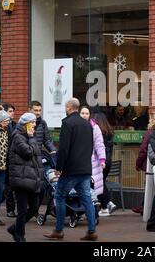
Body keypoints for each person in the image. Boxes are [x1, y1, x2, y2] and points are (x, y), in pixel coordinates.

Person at [44, 98, 98, 241]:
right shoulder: (88, 125)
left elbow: (63, 149)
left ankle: (59, 230)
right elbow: (90, 147)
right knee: (87, 199)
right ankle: (91, 231)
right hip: (85, 169)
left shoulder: (67, 123)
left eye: (65, 107)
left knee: (59, 196)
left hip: (70, 170)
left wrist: (58, 168)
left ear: (68, 107)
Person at [6, 113, 44, 242]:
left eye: (35, 122)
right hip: (20, 178)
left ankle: (15, 228)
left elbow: (36, 155)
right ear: (25, 124)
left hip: (32, 178)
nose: (34, 125)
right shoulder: (18, 137)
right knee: (22, 210)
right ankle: (19, 235)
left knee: (34, 207)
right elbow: (28, 153)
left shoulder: (29, 136)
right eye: (32, 122)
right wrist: (32, 138)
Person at [29, 101, 57, 216]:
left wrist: (53, 150)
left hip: (39, 158)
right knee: (33, 187)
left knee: (44, 185)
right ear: (29, 109)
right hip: (28, 158)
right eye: (35, 110)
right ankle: (31, 210)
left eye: (40, 110)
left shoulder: (42, 123)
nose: (38, 113)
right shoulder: (25, 123)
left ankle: (41, 210)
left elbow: (47, 140)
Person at [80, 106, 106, 209]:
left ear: (89, 115)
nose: (84, 115)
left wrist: (102, 159)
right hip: (79, 161)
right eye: (82, 113)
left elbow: (99, 144)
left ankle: (92, 210)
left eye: (86, 113)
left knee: (91, 186)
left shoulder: (95, 128)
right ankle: (81, 208)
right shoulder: (76, 126)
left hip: (93, 161)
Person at [92, 112, 117, 216]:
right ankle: (107, 204)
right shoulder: (109, 132)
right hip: (108, 161)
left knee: (98, 184)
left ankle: (106, 205)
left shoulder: (98, 132)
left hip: (101, 161)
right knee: (100, 183)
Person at [1, 103, 18, 218]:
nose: (13, 113)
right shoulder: (1, 126)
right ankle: (10, 209)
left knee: (14, 185)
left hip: (15, 159)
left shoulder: (16, 125)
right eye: (11, 111)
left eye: (13, 111)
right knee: (8, 185)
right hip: (5, 160)